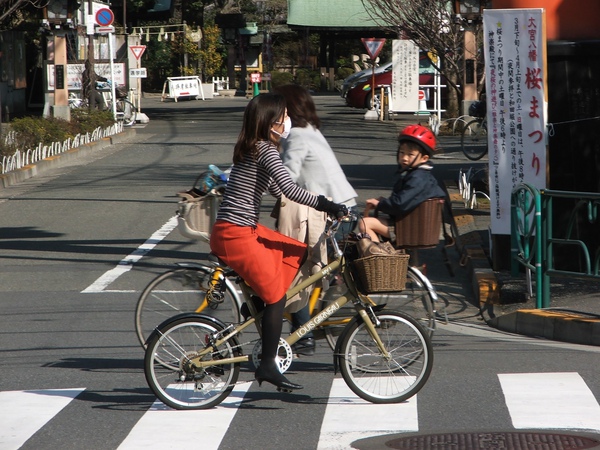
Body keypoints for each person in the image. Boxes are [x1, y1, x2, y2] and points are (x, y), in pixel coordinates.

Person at [209, 93, 347, 392]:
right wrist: (327, 205)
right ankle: (268, 364)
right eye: (282, 117)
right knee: (277, 297)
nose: (287, 122)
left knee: (297, 250)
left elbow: (275, 188)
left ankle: (256, 311)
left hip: (238, 229)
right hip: (236, 234)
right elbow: (290, 189)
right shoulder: (265, 151)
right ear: (269, 121)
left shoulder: (254, 148)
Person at [274, 84, 357, 356]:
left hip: (330, 214)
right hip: (342, 206)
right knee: (311, 269)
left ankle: (304, 333)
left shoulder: (297, 136)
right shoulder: (310, 129)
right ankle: (318, 312)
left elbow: (285, 179)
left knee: (292, 269)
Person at [358, 124, 446, 242]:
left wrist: (380, 204)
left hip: (410, 229)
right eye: (402, 152)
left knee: (365, 223)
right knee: (373, 221)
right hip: (415, 226)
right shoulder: (422, 176)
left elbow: (399, 204)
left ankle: (383, 257)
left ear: (424, 158)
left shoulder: (417, 178)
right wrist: (382, 202)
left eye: (410, 154)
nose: (404, 158)